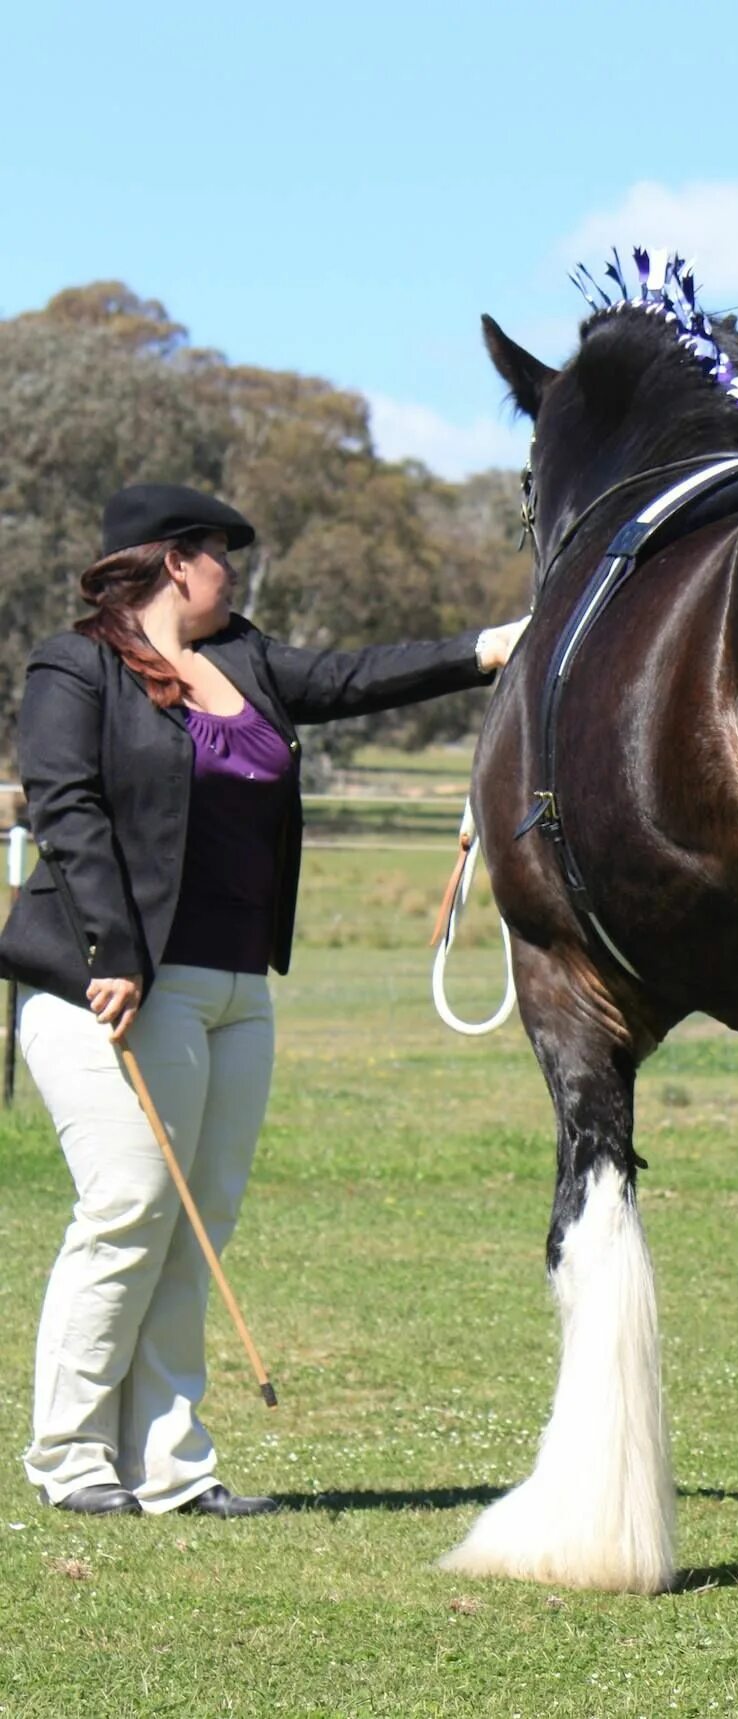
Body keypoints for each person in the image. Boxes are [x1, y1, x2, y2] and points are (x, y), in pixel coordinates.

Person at [0, 482, 527, 1519]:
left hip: (238, 982)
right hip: (112, 982)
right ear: (170, 560)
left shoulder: (243, 657)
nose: (232, 570)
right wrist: (110, 946)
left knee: (200, 1225)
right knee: (130, 1208)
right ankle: (69, 1460)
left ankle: (168, 1467)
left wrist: (485, 647)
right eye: (219, 552)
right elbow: (66, 803)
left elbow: (355, 677)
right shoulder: (76, 666)